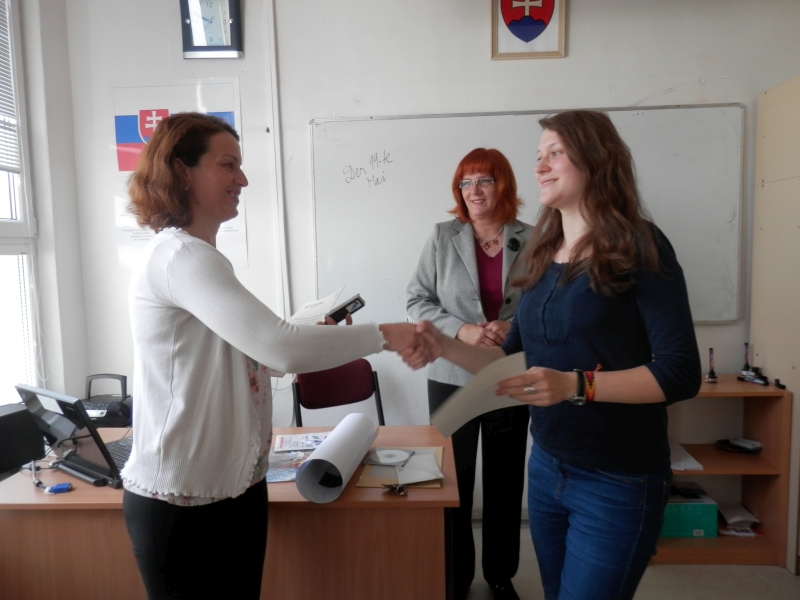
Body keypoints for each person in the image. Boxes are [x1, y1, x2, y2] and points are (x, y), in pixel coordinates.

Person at [123, 112, 419, 600]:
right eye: (227, 164)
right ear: (181, 170)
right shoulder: (180, 256)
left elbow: (264, 354)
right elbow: (280, 346)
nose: (242, 179)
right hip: (181, 500)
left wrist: (308, 334)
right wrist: (385, 335)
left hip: (235, 487)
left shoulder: (201, 258)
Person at [406, 111, 701, 600]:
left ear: (596, 159)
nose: (540, 166)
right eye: (539, 155)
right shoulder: (545, 251)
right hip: (547, 467)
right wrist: (446, 344)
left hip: (616, 476)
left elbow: (680, 373)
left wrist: (575, 385)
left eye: (555, 153)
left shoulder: (639, 243)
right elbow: (511, 358)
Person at [407, 148, 532, 600]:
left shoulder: (535, 238)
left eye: (484, 180)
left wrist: (513, 328)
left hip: (508, 374)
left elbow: (546, 305)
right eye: (465, 182)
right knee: (452, 480)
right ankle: (455, 575)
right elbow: (416, 300)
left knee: (504, 480)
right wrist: (462, 329)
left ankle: (500, 574)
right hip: (451, 374)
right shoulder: (443, 237)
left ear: (504, 185)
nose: (474, 191)